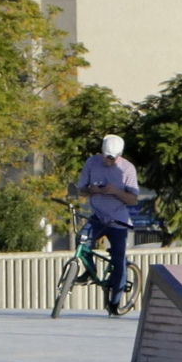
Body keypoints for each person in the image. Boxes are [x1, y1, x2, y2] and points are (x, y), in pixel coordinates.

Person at [75, 134, 140, 316]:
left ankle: (115, 302)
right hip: (98, 216)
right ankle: (90, 271)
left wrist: (117, 192)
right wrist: (91, 190)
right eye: (106, 157)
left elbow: (133, 199)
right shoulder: (92, 163)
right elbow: (81, 189)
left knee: (118, 260)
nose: (109, 161)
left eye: (113, 158)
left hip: (118, 219)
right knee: (82, 239)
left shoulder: (127, 169)